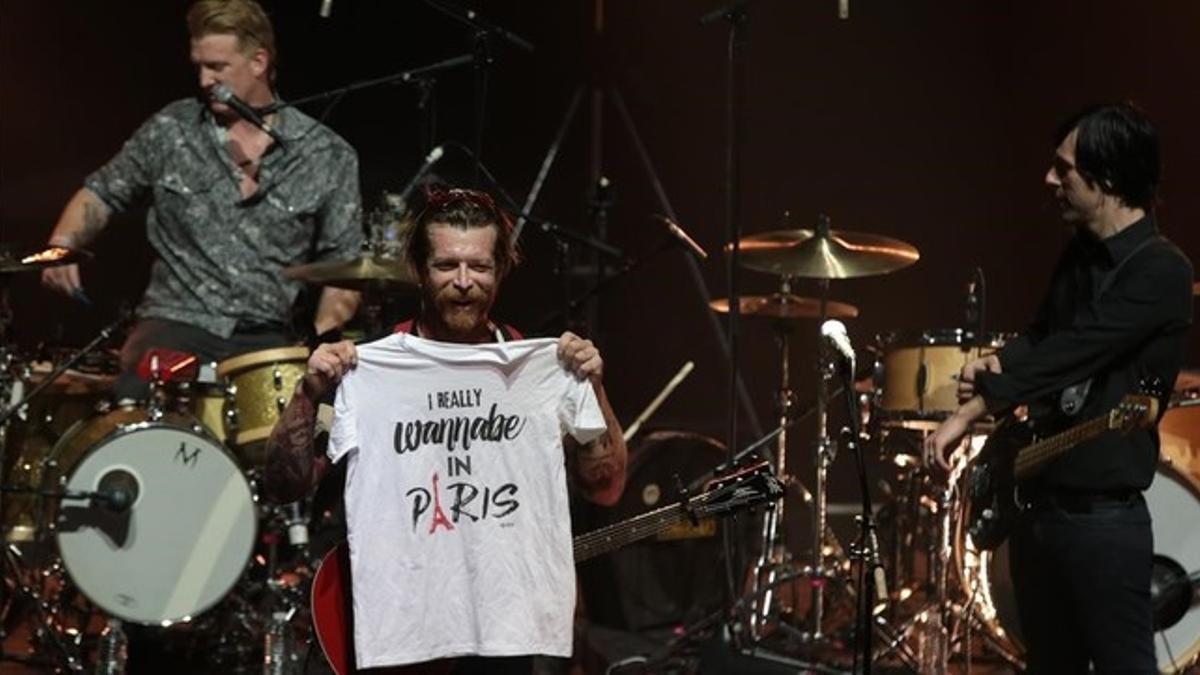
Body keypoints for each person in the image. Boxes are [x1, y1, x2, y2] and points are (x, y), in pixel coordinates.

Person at [264, 186, 628, 673]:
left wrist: (593, 389)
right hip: (398, 630)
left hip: (497, 634)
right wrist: (308, 396)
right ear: (418, 269)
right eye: (446, 266)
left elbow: (606, 488)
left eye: (479, 266)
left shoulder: (533, 368)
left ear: (501, 270)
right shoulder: (371, 369)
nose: (463, 282)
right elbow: (285, 484)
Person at [924, 103, 1192, 672]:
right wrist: (998, 360)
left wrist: (972, 408)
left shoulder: (1162, 271)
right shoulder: (1081, 257)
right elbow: (1046, 333)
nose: (1050, 180)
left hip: (1103, 524)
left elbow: (1077, 351)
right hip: (1039, 506)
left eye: (1064, 169)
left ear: (1109, 180)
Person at [40, 0, 363, 398]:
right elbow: (101, 192)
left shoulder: (325, 153)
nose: (205, 79)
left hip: (265, 337)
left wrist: (317, 343)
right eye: (199, 66)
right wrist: (61, 245)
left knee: (288, 439)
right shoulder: (171, 129)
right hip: (174, 323)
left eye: (217, 67)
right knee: (134, 408)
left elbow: (345, 271)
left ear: (258, 61)